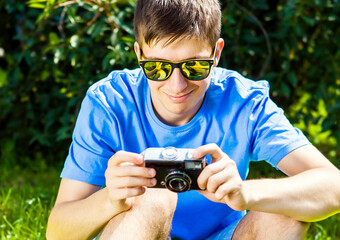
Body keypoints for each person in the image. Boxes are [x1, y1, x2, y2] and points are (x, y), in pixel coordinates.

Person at [46, 0, 340, 239]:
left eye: (195, 67)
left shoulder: (244, 102)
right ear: (139, 54)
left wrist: (245, 193)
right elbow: (59, 231)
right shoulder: (110, 103)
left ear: (216, 53)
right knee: (153, 197)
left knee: (284, 216)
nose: (176, 86)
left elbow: (333, 186)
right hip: (138, 230)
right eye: (158, 68)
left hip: (227, 234)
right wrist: (110, 199)